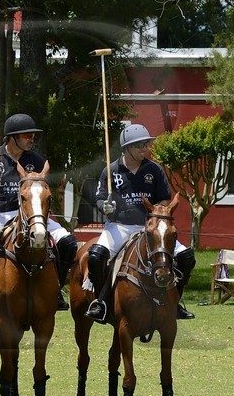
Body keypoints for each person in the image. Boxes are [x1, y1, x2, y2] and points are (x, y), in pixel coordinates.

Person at [84, 123, 198, 323]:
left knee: (186, 257)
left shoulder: (154, 170)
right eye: (139, 145)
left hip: (149, 227)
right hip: (119, 225)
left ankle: (176, 302)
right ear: (126, 148)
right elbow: (100, 198)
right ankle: (100, 302)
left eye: (145, 144)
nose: (144, 148)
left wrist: (155, 212)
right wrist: (106, 207)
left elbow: (164, 199)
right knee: (96, 256)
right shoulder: (111, 171)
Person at [0, 112, 78, 316]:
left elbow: (43, 192)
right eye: (27, 135)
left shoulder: (35, 160)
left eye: (32, 135)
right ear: (13, 137)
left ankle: (57, 289)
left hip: (31, 214)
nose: (31, 139)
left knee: (69, 242)